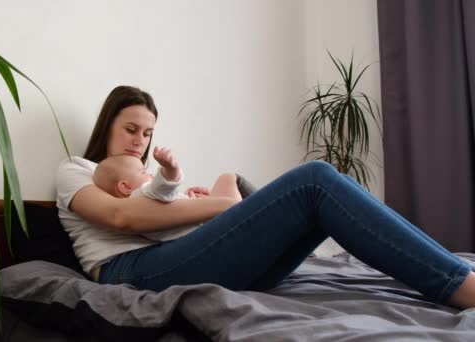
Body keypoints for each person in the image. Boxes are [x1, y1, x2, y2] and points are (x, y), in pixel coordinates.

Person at [56, 85, 475, 310]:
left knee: (242, 180)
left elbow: (164, 210)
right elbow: (123, 217)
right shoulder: (78, 169)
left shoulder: (150, 176)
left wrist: (204, 207)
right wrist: (222, 208)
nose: (140, 141)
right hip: (131, 271)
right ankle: (459, 283)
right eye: (131, 129)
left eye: (147, 133)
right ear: (107, 124)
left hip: (181, 256)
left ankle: (450, 270)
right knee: (315, 180)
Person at [92, 147, 242, 242]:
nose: (150, 174)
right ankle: (244, 214)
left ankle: (240, 212)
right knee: (227, 178)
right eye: (144, 172)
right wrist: (170, 169)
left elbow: (167, 199)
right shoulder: (138, 196)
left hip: (204, 225)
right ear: (125, 187)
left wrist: (190, 199)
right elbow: (161, 187)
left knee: (226, 180)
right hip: (210, 229)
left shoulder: (144, 203)